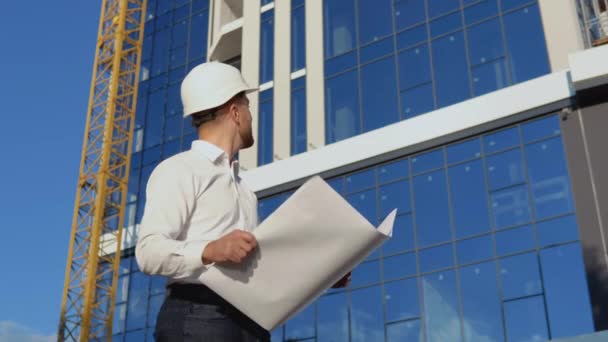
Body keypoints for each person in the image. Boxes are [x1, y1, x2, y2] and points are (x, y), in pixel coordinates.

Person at [135, 62, 349, 342]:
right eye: (247, 106)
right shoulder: (180, 169)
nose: (251, 116)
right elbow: (148, 252)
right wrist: (210, 250)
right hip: (199, 317)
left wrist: (322, 274)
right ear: (235, 112)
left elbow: (256, 271)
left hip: (249, 322)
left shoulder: (244, 190)